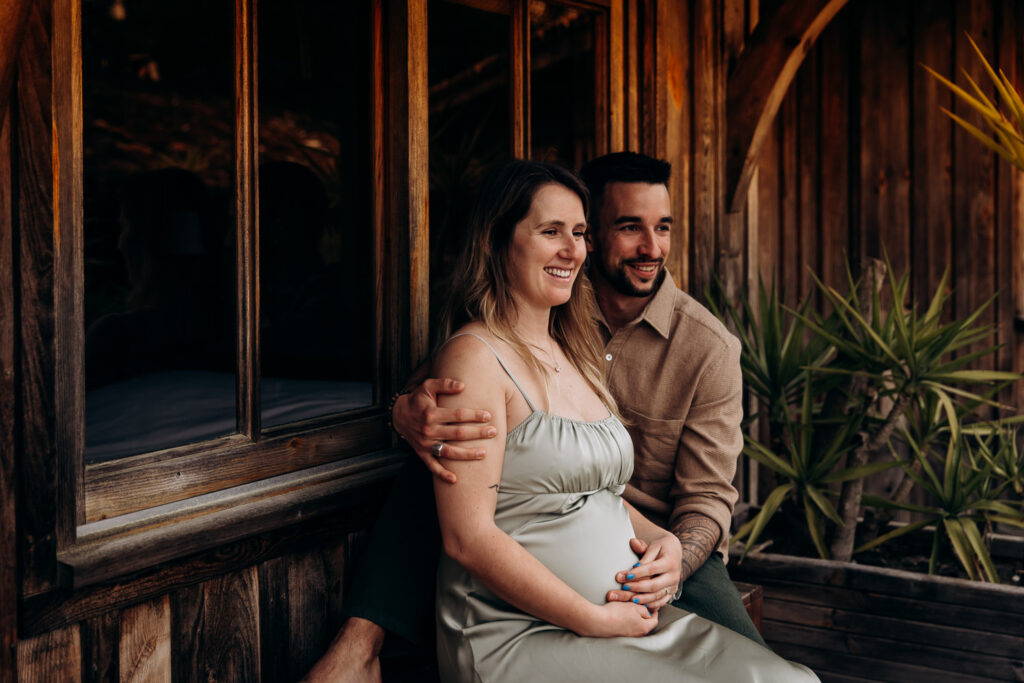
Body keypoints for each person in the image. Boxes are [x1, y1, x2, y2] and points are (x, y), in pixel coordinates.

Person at [305, 158, 817, 682]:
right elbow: (463, 491)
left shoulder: (692, 347)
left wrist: (673, 554)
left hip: (662, 551)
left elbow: (703, 497)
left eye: (662, 227)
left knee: (783, 677)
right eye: (628, 227)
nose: (650, 247)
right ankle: (359, 645)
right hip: (535, 611)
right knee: (443, 449)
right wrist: (401, 408)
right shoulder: (529, 330)